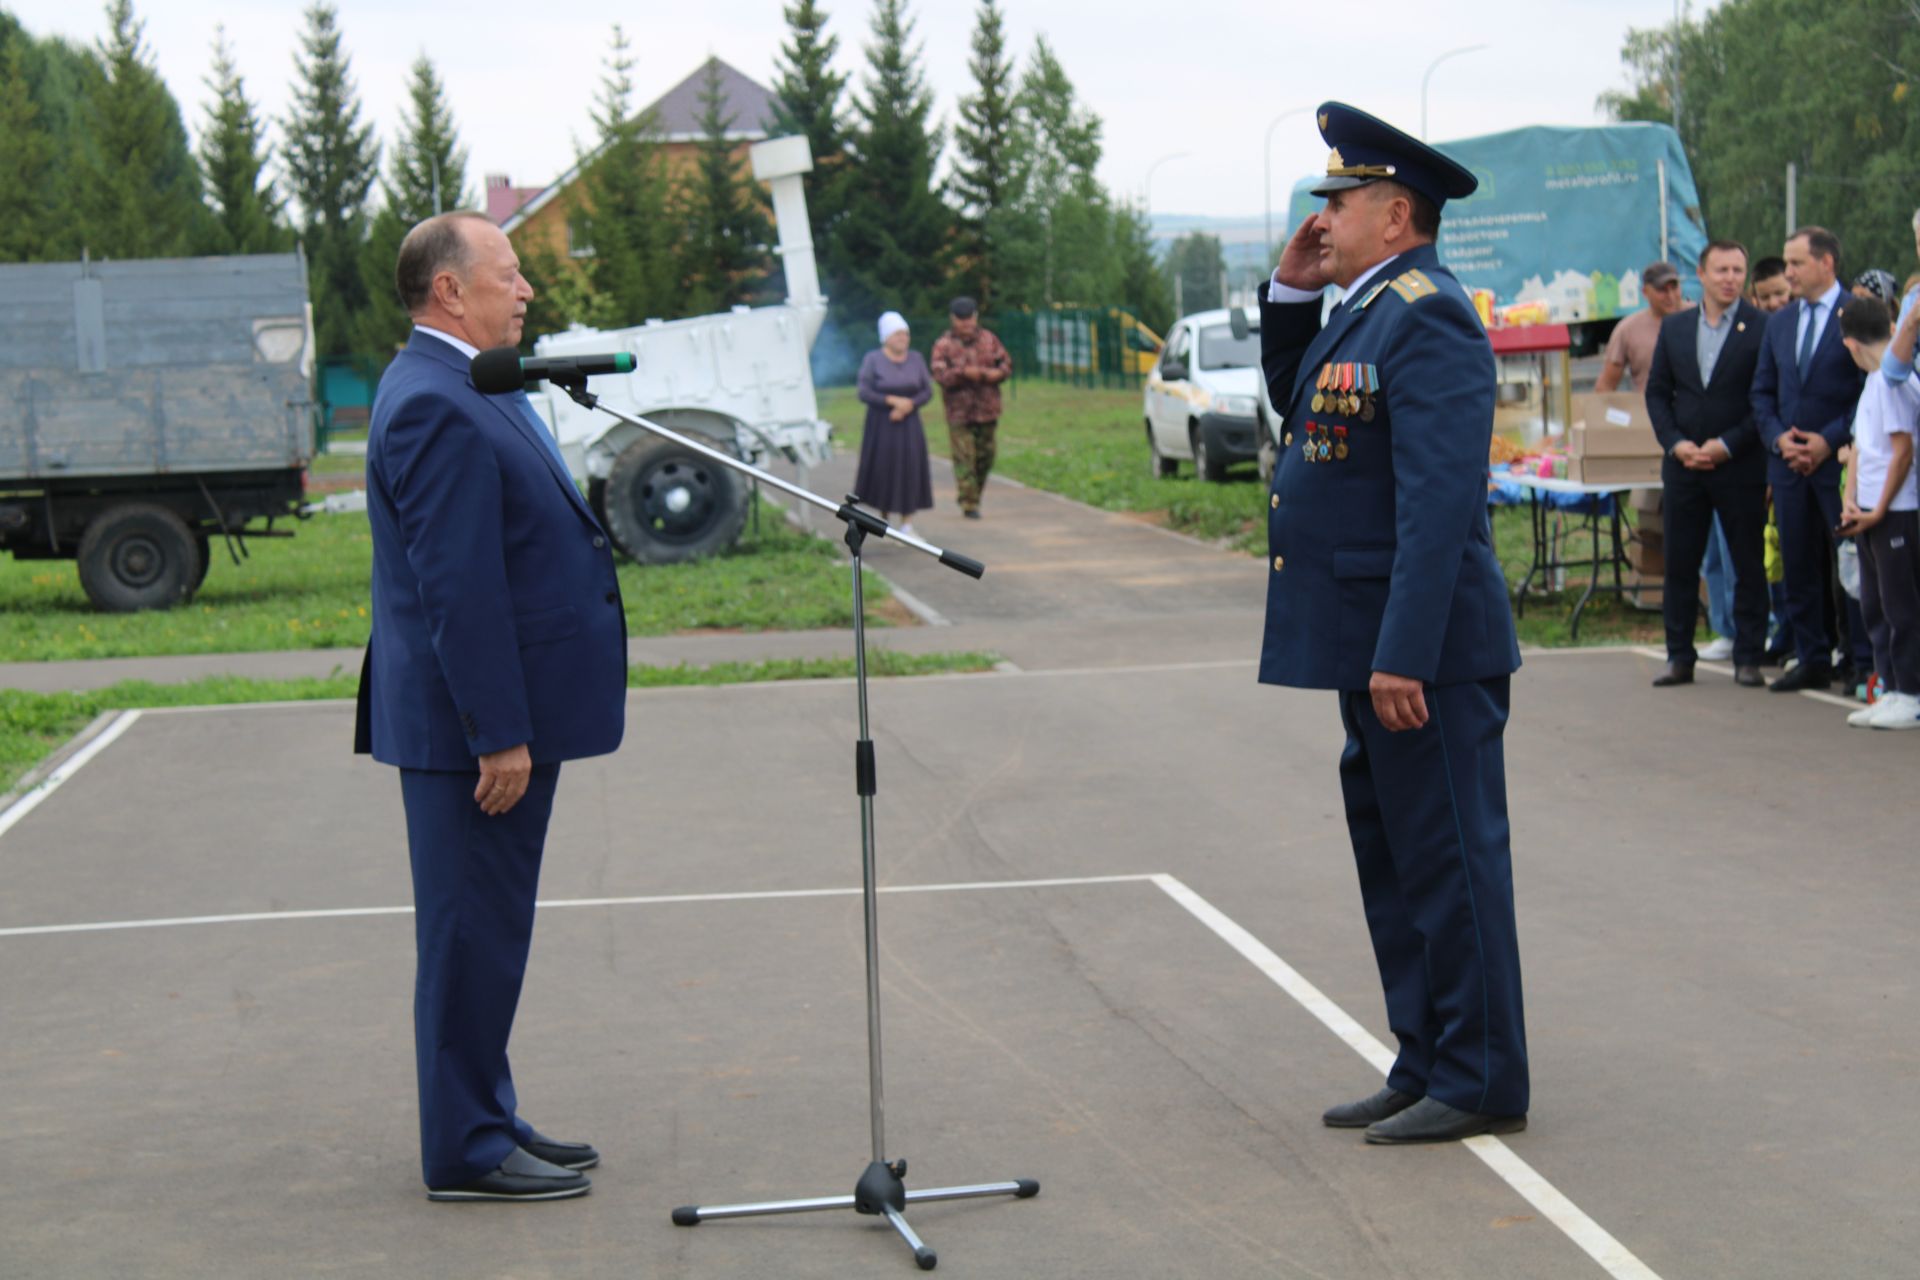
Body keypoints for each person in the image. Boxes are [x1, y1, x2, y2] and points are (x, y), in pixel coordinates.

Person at [1259, 103, 1525, 1145]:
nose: (1325, 217)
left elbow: (1439, 500)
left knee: (1451, 858)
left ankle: (1483, 1073)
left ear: (1397, 212)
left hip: (1421, 653)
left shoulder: (1430, 315)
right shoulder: (1368, 308)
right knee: (1400, 859)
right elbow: (1302, 404)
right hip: (1371, 644)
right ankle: (1426, 1056)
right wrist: (1290, 290)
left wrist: (1403, 651)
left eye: (1342, 200)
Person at [356, 212, 628, 1202]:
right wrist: (499, 731)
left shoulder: (473, 380)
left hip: (498, 719)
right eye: (508, 277)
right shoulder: (433, 399)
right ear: (448, 292)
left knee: (491, 927)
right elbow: (455, 587)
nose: (526, 293)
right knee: (470, 929)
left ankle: (487, 1111)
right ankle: (466, 1147)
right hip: (473, 734)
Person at [1643, 239, 1770, 688]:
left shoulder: (1761, 327)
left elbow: (1764, 399)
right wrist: (1676, 443)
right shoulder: (1675, 328)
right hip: (1683, 466)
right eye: (1722, 270)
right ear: (1702, 273)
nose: (1730, 279)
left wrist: (1727, 445)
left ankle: (1749, 655)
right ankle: (1679, 656)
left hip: (1738, 465)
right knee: (1680, 562)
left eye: (1738, 270)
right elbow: (1657, 392)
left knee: (1747, 563)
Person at [1751, 225, 1868, 691]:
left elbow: (1868, 391)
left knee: (1851, 568)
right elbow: (1762, 391)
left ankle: (1862, 660)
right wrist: (1780, 439)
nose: (1788, 272)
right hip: (1789, 466)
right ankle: (1811, 655)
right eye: (1786, 262)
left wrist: (1827, 440)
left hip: (1838, 465)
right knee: (1798, 563)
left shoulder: (1857, 314)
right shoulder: (1780, 322)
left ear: (1826, 263)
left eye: (1796, 262)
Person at [1838, 298, 1920, 728]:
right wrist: (1852, 500)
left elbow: (1903, 453)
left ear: (1850, 344)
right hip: (1868, 510)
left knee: (1901, 605)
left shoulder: (1895, 382)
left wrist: (1880, 508)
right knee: (1875, 603)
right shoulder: (1873, 380)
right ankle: (1890, 684)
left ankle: (1911, 691)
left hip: (1897, 510)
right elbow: (1857, 450)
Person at [929, 296, 1013, 519]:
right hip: (959, 413)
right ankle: (969, 503)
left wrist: (993, 374)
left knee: (986, 456)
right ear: (952, 319)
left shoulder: (989, 339)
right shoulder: (944, 345)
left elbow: (1005, 364)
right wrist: (963, 373)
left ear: (976, 317)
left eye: (969, 319)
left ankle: (974, 492)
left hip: (987, 410)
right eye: (961, 320)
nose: (966, 324)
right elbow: (939, 374)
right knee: (964, 458)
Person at [853, 311, 934, 533]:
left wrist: (909, 404)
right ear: (886, 337)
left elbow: (927, 390)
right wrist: (890, 401)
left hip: (909, 425)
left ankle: (908, 523)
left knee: (910, 468)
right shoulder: (873, 359)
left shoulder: (916, 358)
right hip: (882, 425)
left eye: (906, 334)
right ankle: (884, 518)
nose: (903, 338)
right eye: (898, 334)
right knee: (884, 469)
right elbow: (864, 391)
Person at [1595, 261, 1688, 392]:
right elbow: (1606, 385)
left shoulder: (1699, 318)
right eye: (1662, 290)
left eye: (1674, 288)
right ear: (1645, 292)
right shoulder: (1628, 329)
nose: (1670, 296)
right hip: (1649, 409)